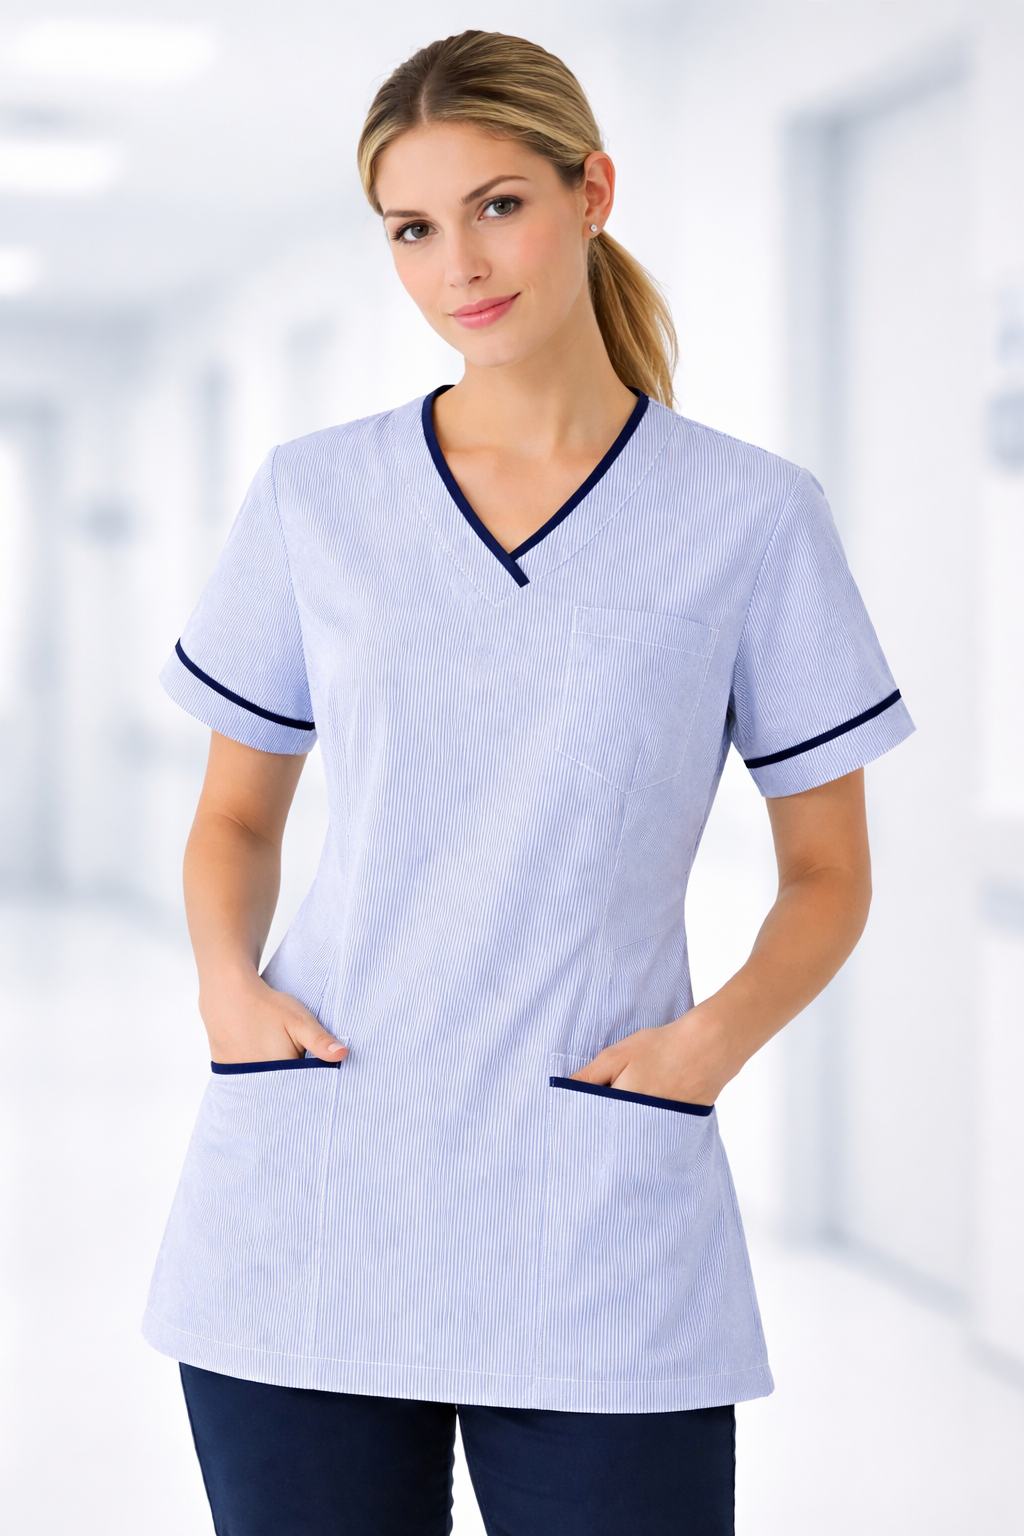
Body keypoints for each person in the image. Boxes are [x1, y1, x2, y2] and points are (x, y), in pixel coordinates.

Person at [144, 29, 914, 1536]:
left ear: (592, 192)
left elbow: (832, 872)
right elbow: (237, 814)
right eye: (413, 230)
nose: (458, 266)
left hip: (594, 1205)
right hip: (314, 1183)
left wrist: (704, 1049)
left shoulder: (750, 519)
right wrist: (226, 988)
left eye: (499, 205)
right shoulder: (317, 496)